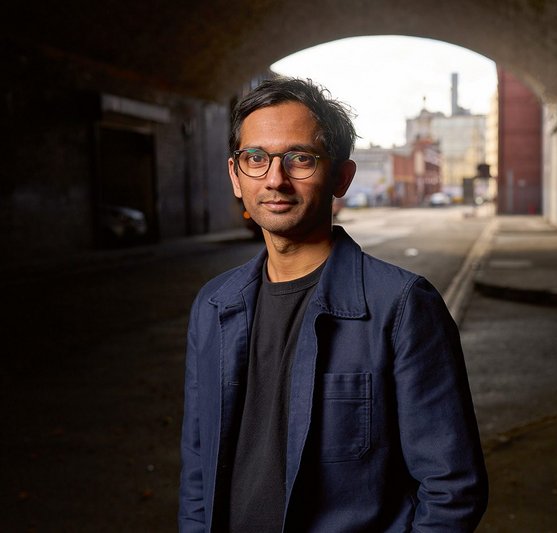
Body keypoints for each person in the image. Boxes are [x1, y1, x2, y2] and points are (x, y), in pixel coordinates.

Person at [179, 76, 488, 533]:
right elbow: (198, 472)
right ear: (236, 176)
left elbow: (452, 490)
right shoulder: (213, 305)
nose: (275, 180)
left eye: (300, 158)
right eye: (256, 159)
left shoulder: (401, 307)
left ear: (341, 177)